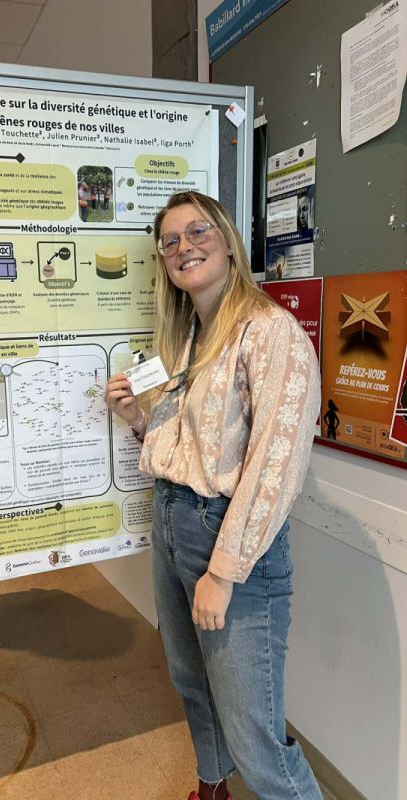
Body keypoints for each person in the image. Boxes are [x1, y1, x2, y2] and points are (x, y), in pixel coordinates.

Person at [105, 191, 322, 800]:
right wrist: (137, 420)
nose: (184, 248)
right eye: (170, 241)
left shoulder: (270, 332)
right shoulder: (187, 337)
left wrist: (223, 572)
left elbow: (275, 465)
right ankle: (212, 789)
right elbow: (194, 450)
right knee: (193, 685)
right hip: (173, 518)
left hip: (229, 540)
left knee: (255, 739)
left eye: (198, 232)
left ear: (227, 240)